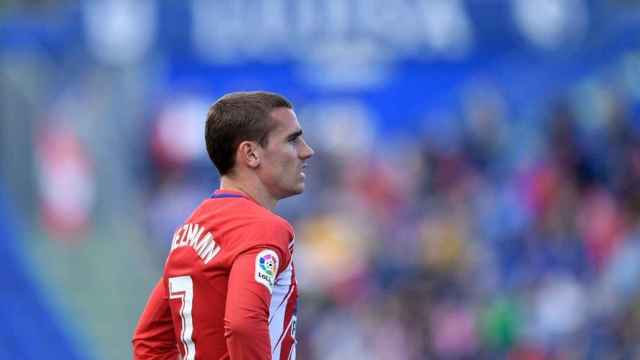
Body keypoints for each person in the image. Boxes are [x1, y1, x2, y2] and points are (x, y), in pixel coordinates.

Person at [132, 91, 314, 360]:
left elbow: (149, 341)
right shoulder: (264, 229)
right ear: (251, 154)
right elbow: (243, 324)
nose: (306, 151)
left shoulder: (189, 231)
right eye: (292, 140)